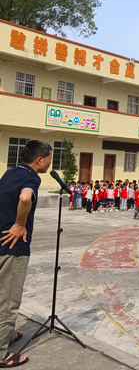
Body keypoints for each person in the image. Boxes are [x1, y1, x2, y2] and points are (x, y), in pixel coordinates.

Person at [0, 140, 52, 368]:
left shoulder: (9, 173)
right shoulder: (32, 177)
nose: (50, 163)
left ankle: (7, 334)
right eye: (50, 158)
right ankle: (2, 352)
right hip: (12, 247)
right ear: (39, 160)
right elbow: (24, 198)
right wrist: (20, 224)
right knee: (8, 300)